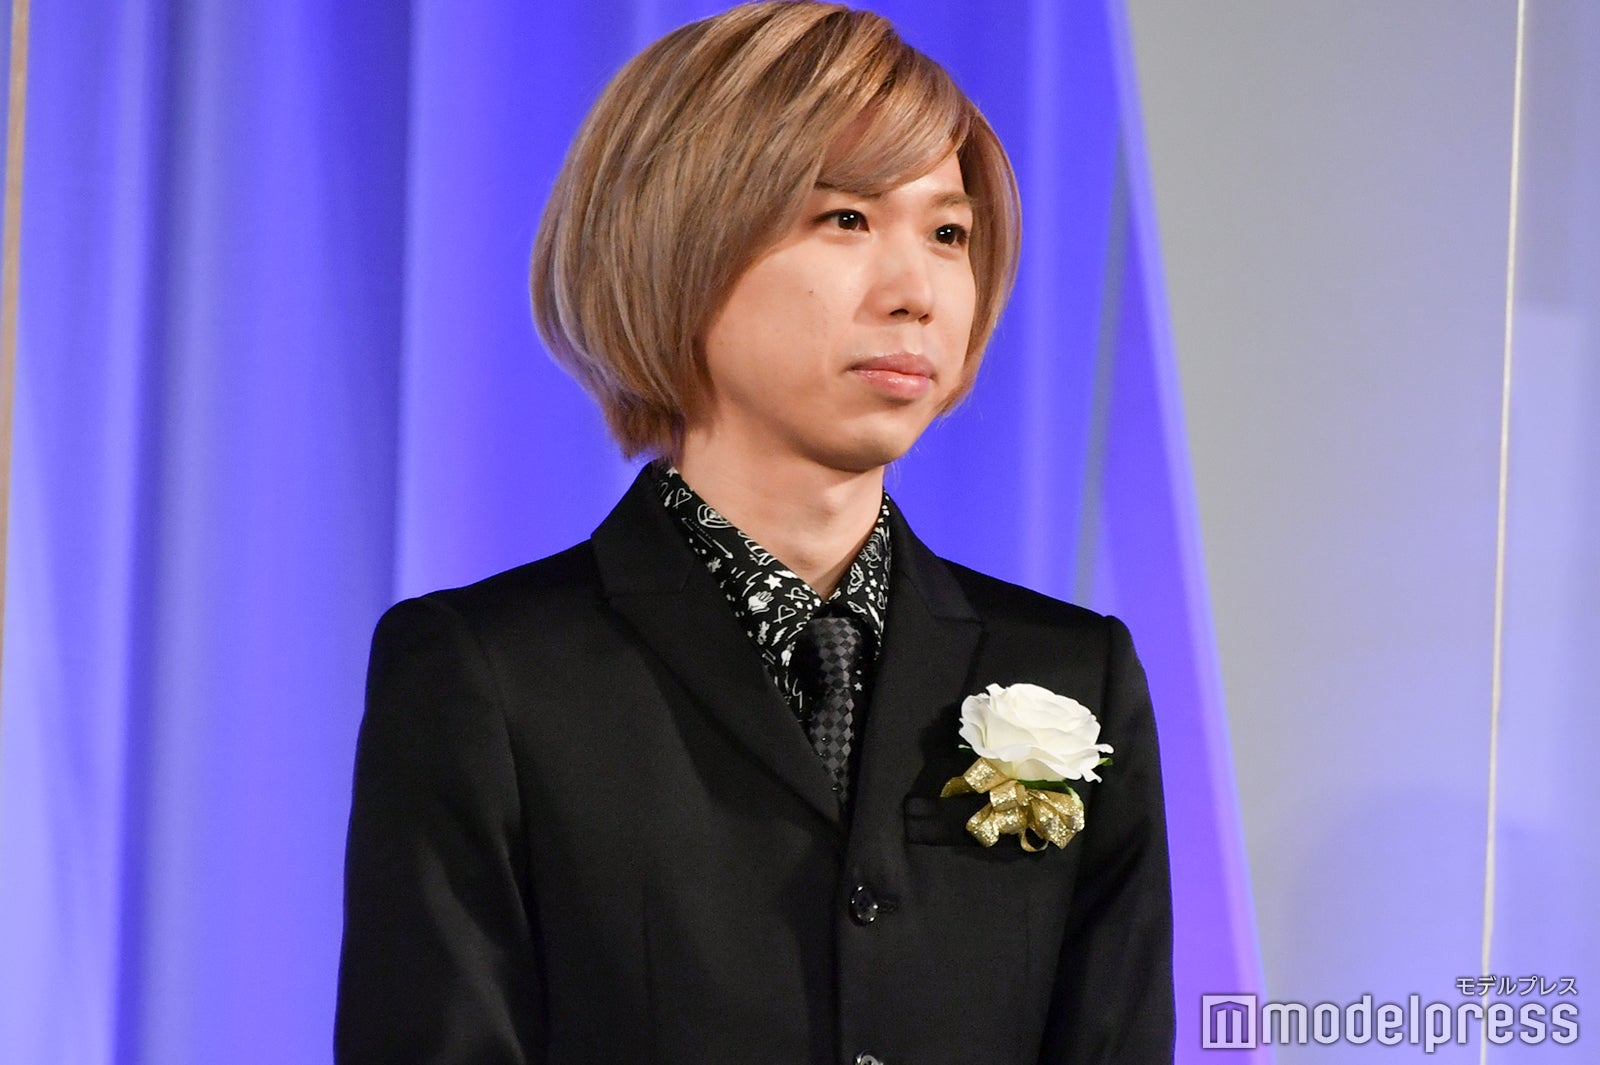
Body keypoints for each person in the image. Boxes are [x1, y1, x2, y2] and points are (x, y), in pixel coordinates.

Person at [335, 3, 1173, 1063]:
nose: (915, 292)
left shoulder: (1073, 670)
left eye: (948, 233)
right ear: (678, 240)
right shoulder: (490, 677)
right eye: (846, 218)